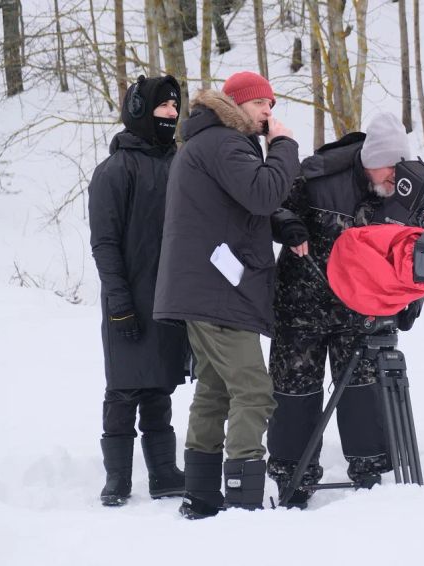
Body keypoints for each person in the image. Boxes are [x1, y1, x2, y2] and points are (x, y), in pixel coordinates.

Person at [153, 71, 300, 519]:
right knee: (253, 390)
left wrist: (284, 224)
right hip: (220, 291)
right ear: (237, 105)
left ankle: (201, 496)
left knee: (215, 390)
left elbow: (242, 208)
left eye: (272, 107)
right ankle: (241, 495)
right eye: (261, 105)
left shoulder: (205, 144)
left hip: (204, 288)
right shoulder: (227, 143)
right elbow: (262, 193)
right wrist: (284, 147)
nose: (269, 113)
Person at [266, 112, 422, 508]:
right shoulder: (319, 175)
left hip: (360, 308)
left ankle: (369, 471)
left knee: (362, 389)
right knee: (294, 388)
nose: (394, 176)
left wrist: (409, 301)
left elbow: (417, 252)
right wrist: (288, 225)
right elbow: (273, 205)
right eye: (389, 167)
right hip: (301, 302)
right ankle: (291, 475)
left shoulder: (406, 191)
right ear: (370, 160)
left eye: (400, 168)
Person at [88, 74, 190, 507]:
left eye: (174, 107)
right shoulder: (113, 171)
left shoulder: (181, 164)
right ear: (139, 110)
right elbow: (104, 243)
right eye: (164, 107)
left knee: (159, 387)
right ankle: (118, 479)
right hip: (129, 298)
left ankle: (164, 474)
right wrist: (119, 304)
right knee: (124, 388)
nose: (171, 114)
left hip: (169, 297)